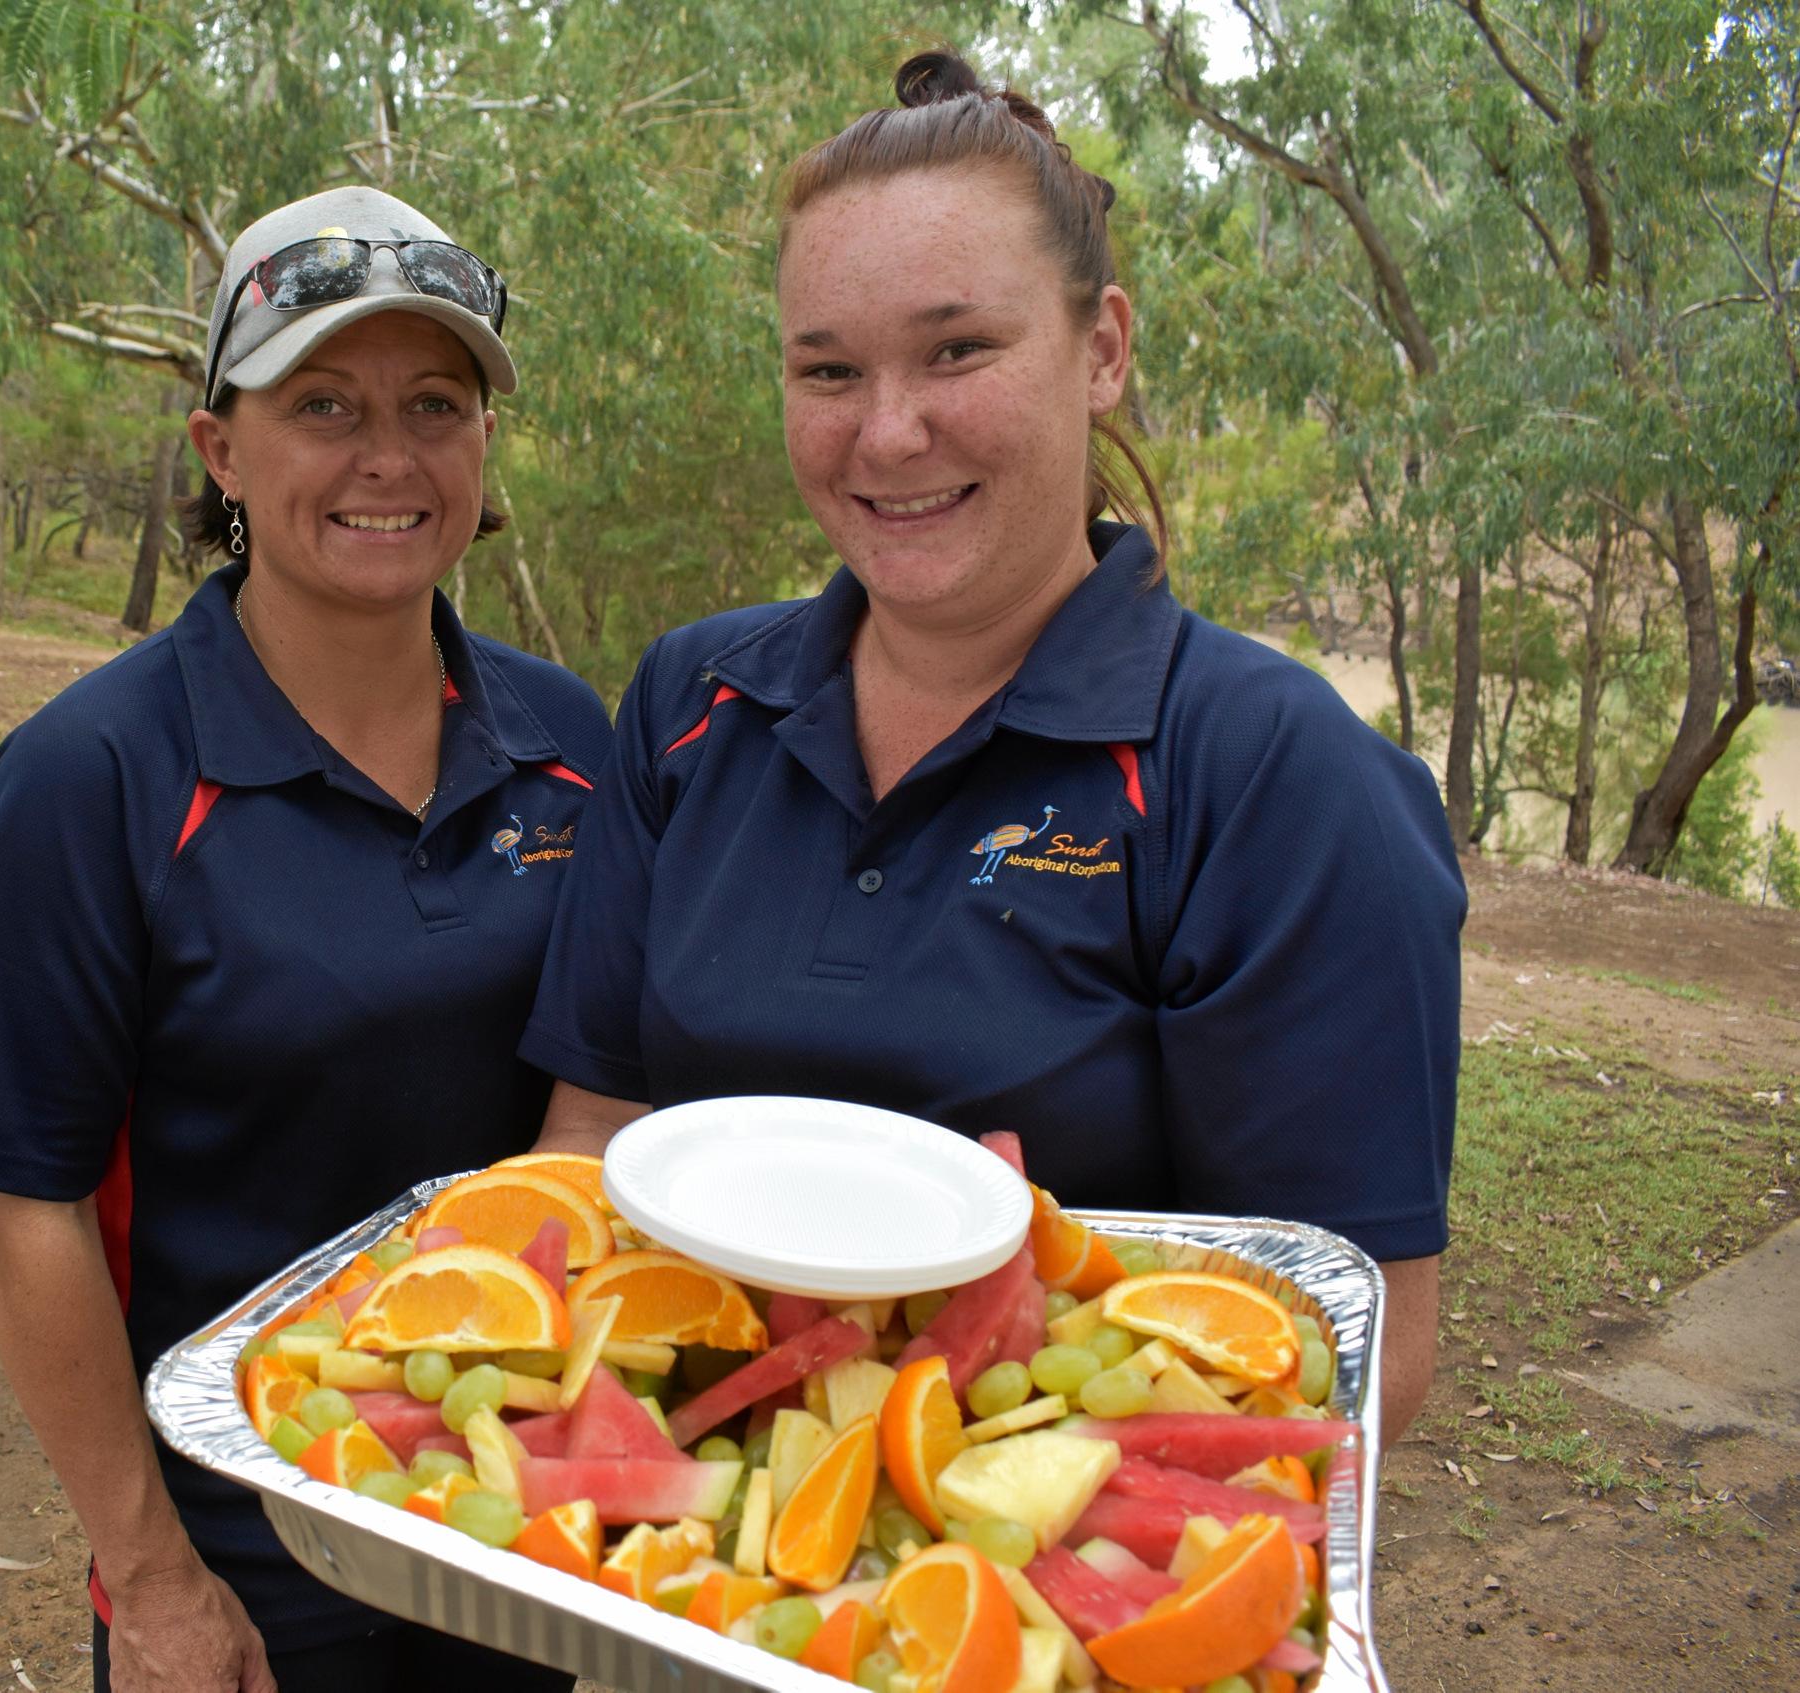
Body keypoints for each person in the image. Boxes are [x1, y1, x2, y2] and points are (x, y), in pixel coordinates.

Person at [519, 52, 1461, 1450]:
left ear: (1101, 348)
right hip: (675, 1558)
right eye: (827, 369)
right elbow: (588, 1137)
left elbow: (1341, 1332)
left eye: (957, 350)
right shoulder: (689, 699)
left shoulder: (1271, 777)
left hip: (1023, 1600)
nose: (888, 431)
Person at [0, 186, 606, 1692]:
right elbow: (22, 1204)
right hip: (250, 1554)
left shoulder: (571, 741)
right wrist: (150, 1580)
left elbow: (592, 1097)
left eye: (434, 404)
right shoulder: (98, 774)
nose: (386, 456)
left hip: (514, 1524)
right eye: (322, 403)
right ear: (221, 450)